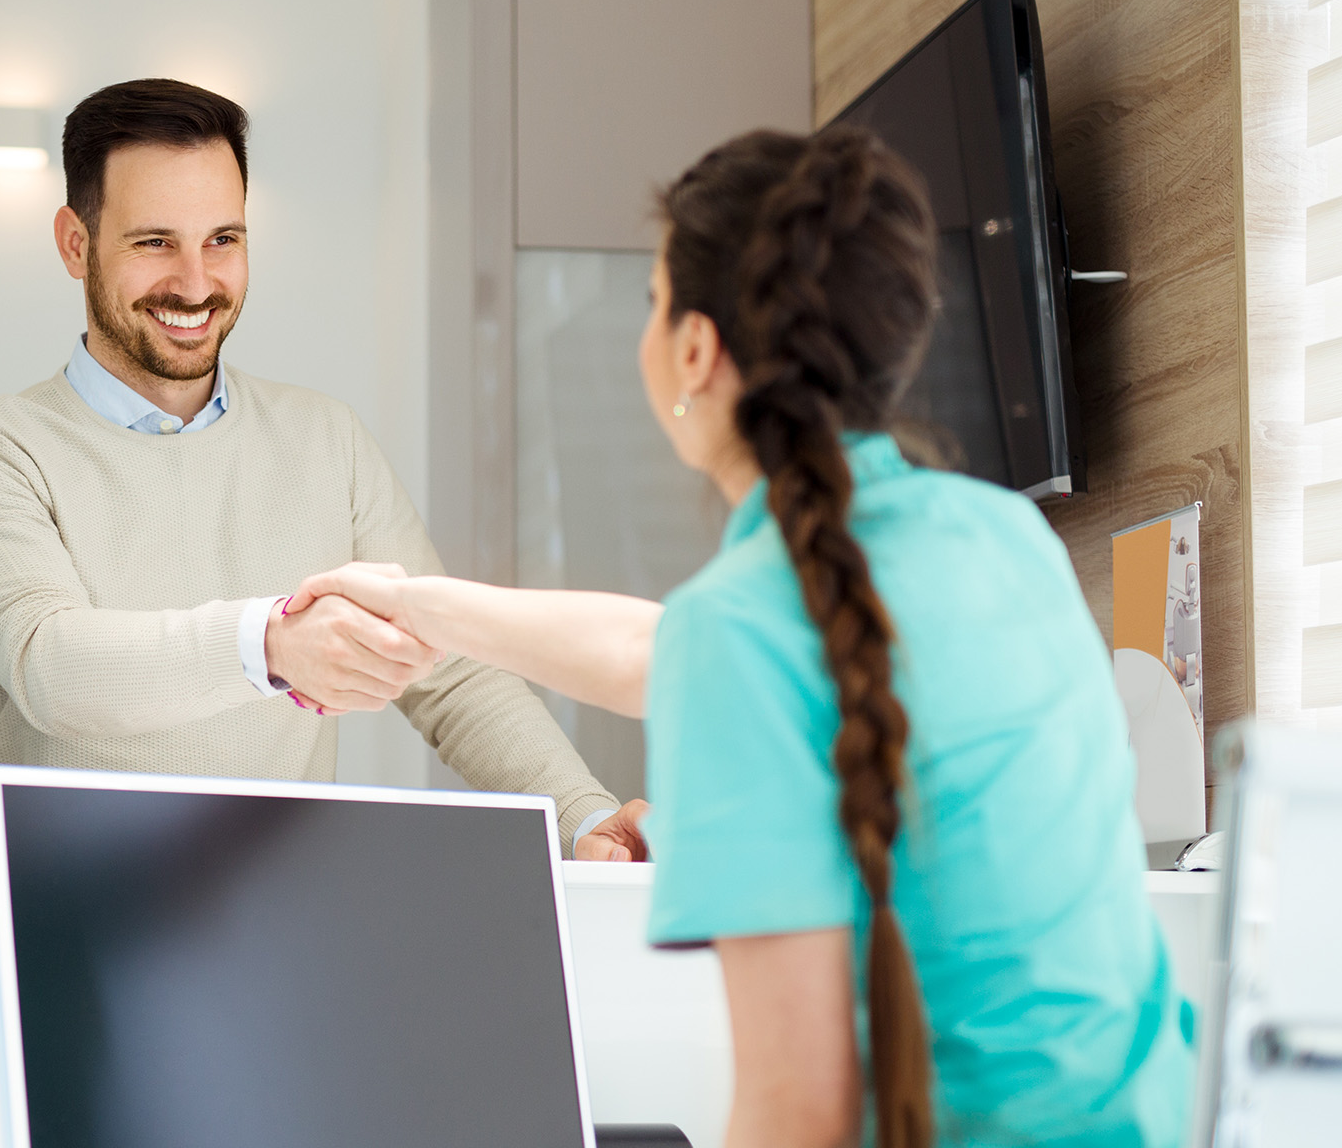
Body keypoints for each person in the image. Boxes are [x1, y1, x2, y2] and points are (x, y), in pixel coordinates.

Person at [290, 128, 1193, 1146]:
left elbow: (792, 1115)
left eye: (654, 300)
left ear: (693, 350)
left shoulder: (747, 627)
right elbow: (662, 652)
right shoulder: (1004, 537)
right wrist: (417, 603)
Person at [0, 78, 646, 858]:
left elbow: (449, 670)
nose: (196, 284)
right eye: (154, 242)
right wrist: (268, 644)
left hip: (280, 906)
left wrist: (581, 814)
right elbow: (52, 666)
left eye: (222, 240)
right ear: (74, 242)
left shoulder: (326, 439)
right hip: (62, 907)